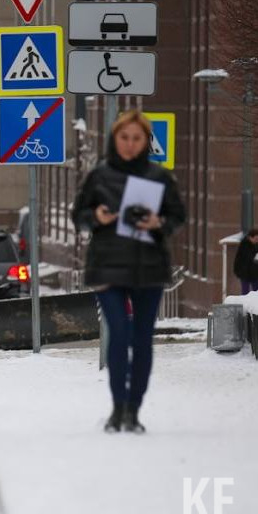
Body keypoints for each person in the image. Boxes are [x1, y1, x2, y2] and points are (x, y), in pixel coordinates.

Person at [72, 110, 186, 434]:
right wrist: (97, 217)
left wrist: (158, 223)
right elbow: (78, 215)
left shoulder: (160, 177)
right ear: (114, 138)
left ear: (146, 141)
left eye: (137, 138)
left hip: (149, 267)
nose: (130, 144)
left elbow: (178, 215)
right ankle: (117, 407)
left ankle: (133, 410)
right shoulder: (99, 176)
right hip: (107, 267)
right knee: (119, 334)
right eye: (125, 137)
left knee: (142, 339)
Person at [233, 229, 258, 294]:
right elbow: (249, 257)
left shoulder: (256, 245)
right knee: (245, 292)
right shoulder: (244, 245)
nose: (257, 240)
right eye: (256, 239)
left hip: (255, 273)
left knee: (256, 292)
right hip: (245, 273)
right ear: (250, 237)